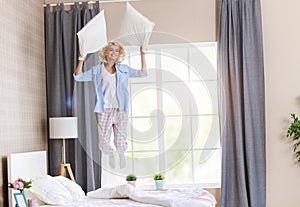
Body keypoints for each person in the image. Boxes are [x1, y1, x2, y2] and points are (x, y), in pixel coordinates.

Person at [74, 42, 147, 169]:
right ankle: (111, 154)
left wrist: (142, 54)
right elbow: (78, 77)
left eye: (117, 51)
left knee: (120, 138)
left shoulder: (124, 69)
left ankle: (121, 153)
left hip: (121, 108)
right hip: (104, 108)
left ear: (119, 54)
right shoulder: (97, 70)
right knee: (103, 139)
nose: (114, 53)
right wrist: (81, 59)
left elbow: (143, 73)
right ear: (105, 52)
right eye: (111, 50)